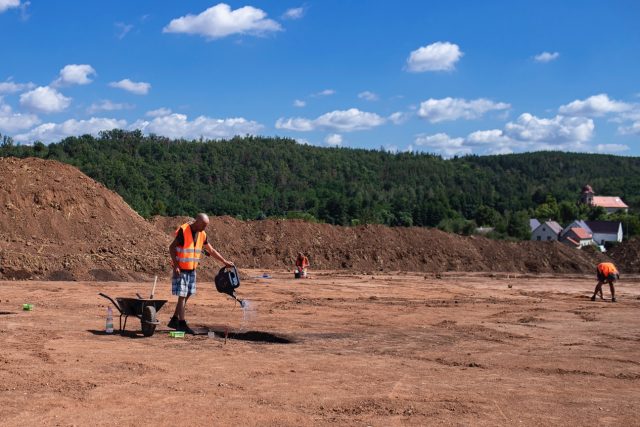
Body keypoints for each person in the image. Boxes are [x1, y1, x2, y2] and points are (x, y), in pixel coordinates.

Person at [168, 213, 233, 334]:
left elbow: (211, 250)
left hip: (192, 270)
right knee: (182, 297)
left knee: (186, 295)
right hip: (181, 269)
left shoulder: (202, 234)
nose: (204, 228)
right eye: (203, 225)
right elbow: (171, 247)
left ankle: (174, 320)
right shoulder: (184, 231)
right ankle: (182, 324)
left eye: (206, 226)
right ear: (197, 222)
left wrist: (224, 261)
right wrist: (176, 265)